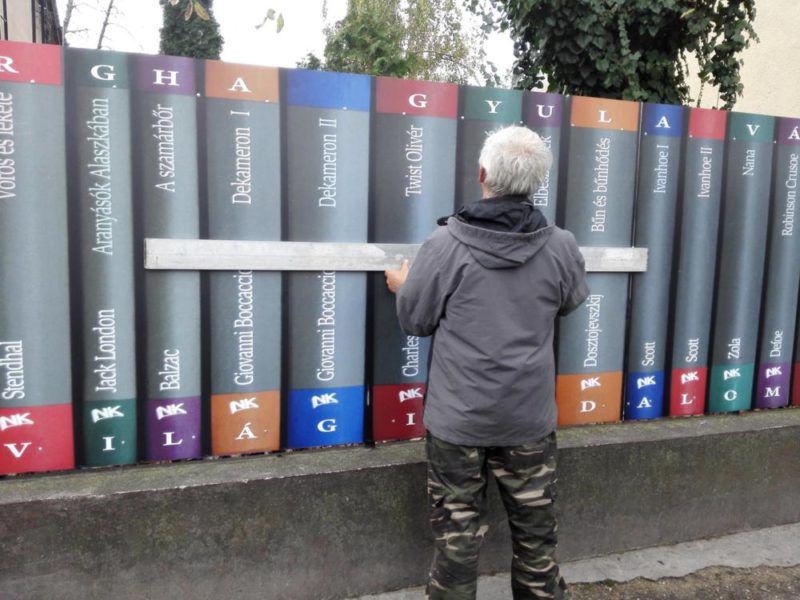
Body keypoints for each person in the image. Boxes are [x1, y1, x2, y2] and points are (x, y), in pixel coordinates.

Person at [384, 125, 589, 600]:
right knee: (538, 542)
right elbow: (568, 302)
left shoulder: (444, 245)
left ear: (482, 173)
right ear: (537, 181)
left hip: (458, 421)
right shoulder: (561, 246)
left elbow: (416, 321)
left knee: (456, 546)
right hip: (528, 420)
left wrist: (403, 287)